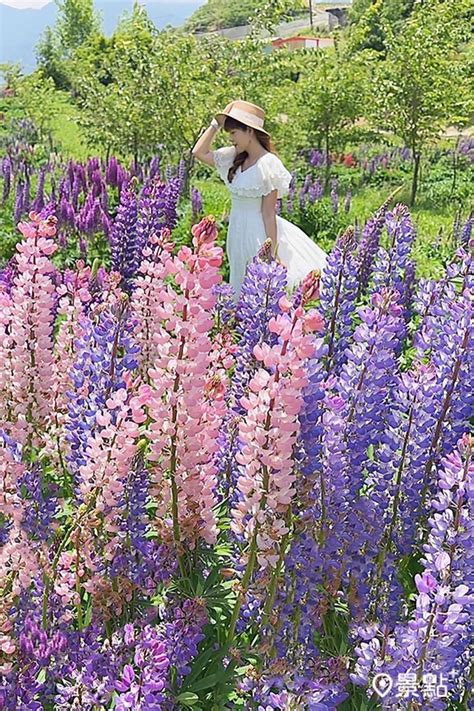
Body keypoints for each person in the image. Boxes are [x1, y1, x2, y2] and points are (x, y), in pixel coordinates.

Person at [191, 100, 328, 302]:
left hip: (258, 232)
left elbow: (268, 212)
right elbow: (198, 152)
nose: (230, 138)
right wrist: (215, 124)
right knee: (240, 279)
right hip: (237, 231)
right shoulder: (233, 157)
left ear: (250, 131)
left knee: (261, 287)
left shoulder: (268, 164)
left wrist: (273, 251)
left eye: (233, 132)